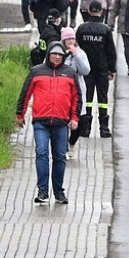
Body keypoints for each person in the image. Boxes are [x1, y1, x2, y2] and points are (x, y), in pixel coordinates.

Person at [16, 42, 80, 204]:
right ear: (48, 55)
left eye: (60, 55)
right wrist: (20, 114)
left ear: (64, 57)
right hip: (41, 122)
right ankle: (43, 191)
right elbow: (25, 93)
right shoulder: (36, 72)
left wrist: (75, 118)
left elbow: (76, 98)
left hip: (61, 123)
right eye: (54, 54)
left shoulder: (70, 73)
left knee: (59, 156)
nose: (57, 57)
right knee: (42, 153)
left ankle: (58, 192)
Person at [76, 0, 117, 137]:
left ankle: (85, 129)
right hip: (102, 69)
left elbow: (77, 49)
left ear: (88, 11)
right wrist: (112, 70)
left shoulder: (82, 29)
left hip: (85, 69)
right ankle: (104, 129)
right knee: (103, 99)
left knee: (86, 98)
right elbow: (111, 51)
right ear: (101, 12)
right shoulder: (105, 30)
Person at [60, 28, 91, 158]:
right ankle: (63, 148)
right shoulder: (58, 52)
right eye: (68, 39)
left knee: (80, 121)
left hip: (77, 92)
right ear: (63, 40)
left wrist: (76, 55)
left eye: (72, 39)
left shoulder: (80, 53)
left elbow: (85, 70)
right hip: (62, 92)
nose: (71, 41)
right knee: (63, 121)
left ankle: (72, 142)